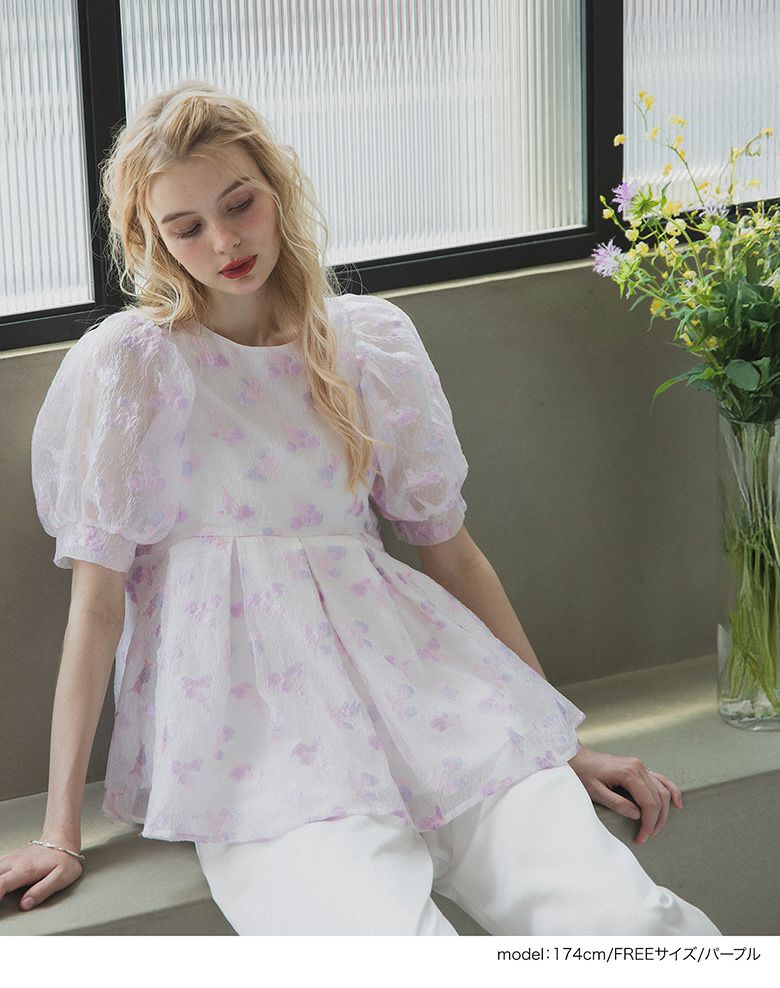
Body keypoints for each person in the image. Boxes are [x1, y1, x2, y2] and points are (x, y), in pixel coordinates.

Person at [2, 81, 720, 936]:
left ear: (277, 190)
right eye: (186, 227)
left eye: (239, 204)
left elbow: (452, 554)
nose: (224, 241)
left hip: (422, 682)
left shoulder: (367, 341)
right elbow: (97, 604)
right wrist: (60, 832)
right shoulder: (135, 363)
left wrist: (562, 743)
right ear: (150, 239)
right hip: (255, 731)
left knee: (627, 925)